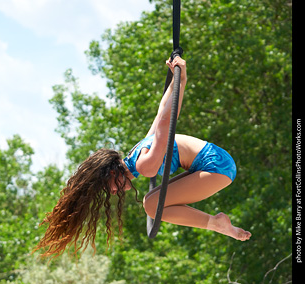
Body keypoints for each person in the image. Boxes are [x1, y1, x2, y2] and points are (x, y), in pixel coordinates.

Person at [34, 56, 251, 259]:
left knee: (151, 205)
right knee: (153, 202)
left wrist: (181, 80)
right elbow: (161, 112)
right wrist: (178, 80)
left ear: (112, 172)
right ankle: (215, 223)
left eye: (108, 185)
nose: (112, 191)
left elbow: (166, 122)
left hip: (217, 167)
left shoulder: (145, 165)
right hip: (211, 162)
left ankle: (215, 223)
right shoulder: (136, 153)